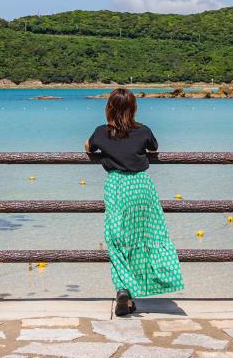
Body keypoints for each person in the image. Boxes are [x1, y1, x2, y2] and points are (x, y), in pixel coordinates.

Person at [85, 87, 184, 316]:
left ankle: (124, 289)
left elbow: (88, 147)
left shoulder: (101, 132)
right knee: (149, 237)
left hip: (117, 187)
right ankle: (136, 291)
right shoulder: (144, 131)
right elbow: (154, 148)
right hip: (141, 186)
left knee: (116, 239)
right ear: (134, 108)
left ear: (109, 108)